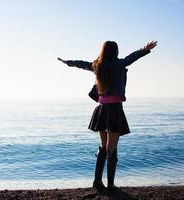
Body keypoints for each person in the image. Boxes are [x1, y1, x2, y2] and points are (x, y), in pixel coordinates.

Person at [57, 40, 157, 191]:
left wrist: (68, 62)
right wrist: (145, 49)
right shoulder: (119, 64)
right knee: (112, 148)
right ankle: (110, 184)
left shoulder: (97, 65)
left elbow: (82, 64)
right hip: (115, 109)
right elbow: (133, 57)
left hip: (101, 109)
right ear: (115, 51)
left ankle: (97, 181)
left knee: (104, 147)